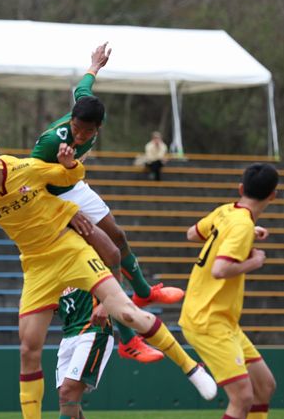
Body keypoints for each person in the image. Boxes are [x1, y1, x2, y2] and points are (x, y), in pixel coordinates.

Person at [0, 134, 216, 419]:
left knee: (126, 312)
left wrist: (69, 164)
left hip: (69, 250)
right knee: (28, 348)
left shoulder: (26, 168)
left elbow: (69, 178)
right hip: (36, 267)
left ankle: (191, 367)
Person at [30, 42, 184, 365]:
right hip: (53, 200)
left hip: (73, 185)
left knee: (119, 238)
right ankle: (128, 340)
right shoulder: (52, 142)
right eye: (76, 129)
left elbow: (83, 85)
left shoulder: (88, 108)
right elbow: (28, 179)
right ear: (70, 121)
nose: (80, 136)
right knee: (106, 258)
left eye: (87, 132)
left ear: (100, 126)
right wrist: (61, 212)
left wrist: (95, 63)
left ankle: (142, 291)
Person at [181, 163, 279, 419]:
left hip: (223, 320)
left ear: (241, 189)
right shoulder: (241, 224)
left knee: (264, 387)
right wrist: (254, 261)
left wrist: (247, 232)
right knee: (242, 397)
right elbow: (220, 269)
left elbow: (192, 234)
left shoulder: (228, 211)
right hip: (207, 320)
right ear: (273, 196)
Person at [49, 287, 114, 419]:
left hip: (93, 330)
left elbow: (115, 274)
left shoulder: (85, 260)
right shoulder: (49, 268)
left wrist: (107, 302)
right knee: (68, 400)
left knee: (68, 393)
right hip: (68, 336)